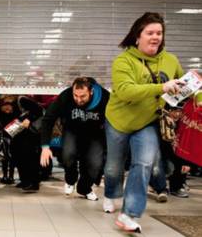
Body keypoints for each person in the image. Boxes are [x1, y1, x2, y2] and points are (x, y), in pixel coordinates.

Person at [103, 12, 185, 233]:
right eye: (150, 32)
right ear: (137, 36)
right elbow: (126, 91)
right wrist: (161, 88)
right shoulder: (123, 61)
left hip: (147, 122)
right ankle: (111, 194)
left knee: (144, 163)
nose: (155, 37)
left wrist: (189, 89)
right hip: (119, 121)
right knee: (114, 167)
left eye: (159, 33)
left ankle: (128, 214)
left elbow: (179, 87)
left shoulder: (170, 60)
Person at [40, 77, 109, 200]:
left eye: (82, 96)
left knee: (94, 164)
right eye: (75, 95)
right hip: (72, 130)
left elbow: (115, 119)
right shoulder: (66, 95)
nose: (78, 99)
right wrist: (45, 146)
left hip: (95, 133)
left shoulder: (104, 97)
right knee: (68, 155)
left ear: (91, 91)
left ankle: (84, 188)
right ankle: (70, 180)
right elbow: (48, 119)